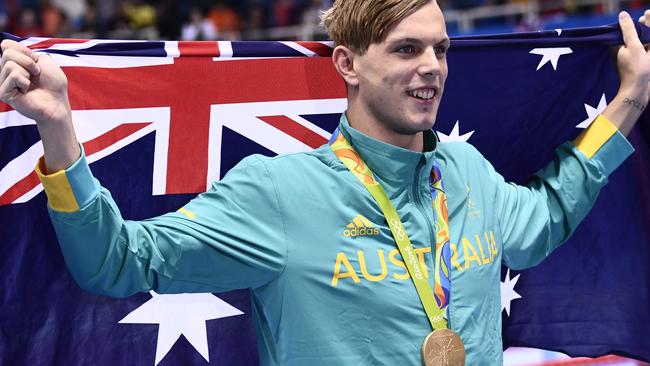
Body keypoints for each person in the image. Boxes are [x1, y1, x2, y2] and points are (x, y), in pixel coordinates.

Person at [1, 0, 649, 364]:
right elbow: (116, 262)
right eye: (406, 49)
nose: (432, 68)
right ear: (347, 64)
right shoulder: (278, 194)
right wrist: (58, 130)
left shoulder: (468, 172)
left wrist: (626, 103)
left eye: (441, 49)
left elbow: (541, 224)